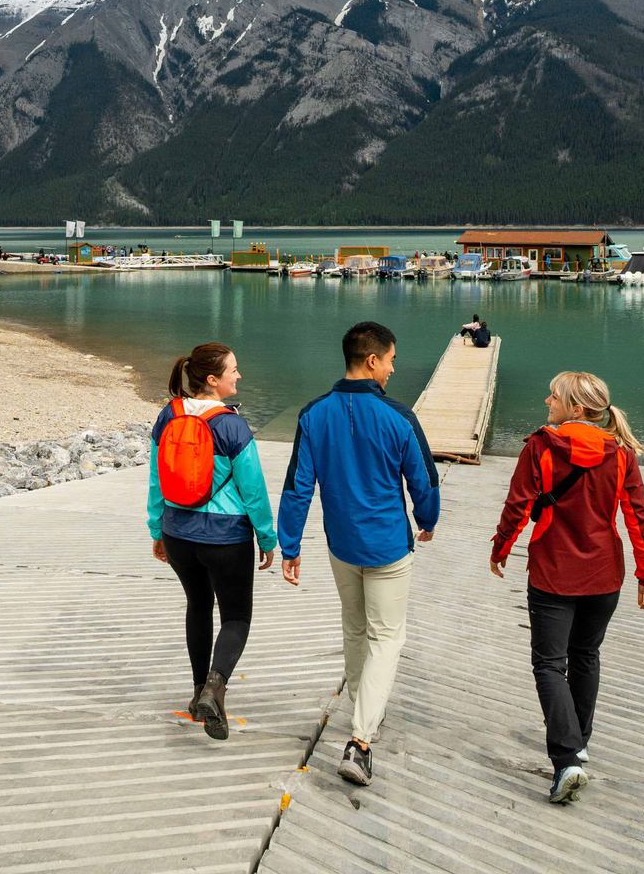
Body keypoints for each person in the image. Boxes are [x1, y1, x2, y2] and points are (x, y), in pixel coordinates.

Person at [277, 321, 440, 787]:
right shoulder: (399, 417)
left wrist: (291, 545)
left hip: (341, 546)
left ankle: (363, 708)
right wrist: (427, 520)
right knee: (387, 637)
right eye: (390, 360)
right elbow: (423, 481)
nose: (393, 368)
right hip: (388, 546)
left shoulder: (313, 414)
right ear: (372, 360)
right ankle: (361, 739)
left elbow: (297, 487)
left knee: (355, 627)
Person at [489, 372, 644, 805]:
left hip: (552, 572)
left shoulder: (541, 447)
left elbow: (518, 505)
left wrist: (501, 547)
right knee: (586, 656)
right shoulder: (620, 454)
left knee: (549, 665)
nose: (547, 400)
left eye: (555, 396)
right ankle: (577, 744)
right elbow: (637, 517)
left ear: (576, 409)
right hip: (605, 576)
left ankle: (566, 760)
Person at [147, 343, 278, 740]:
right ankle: (215, 688)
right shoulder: (232, 425)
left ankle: (196, 693)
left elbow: (157, 477)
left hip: (178, 532)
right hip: (225, 537)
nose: (239, 376)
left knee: (198, 606)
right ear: (212, 379)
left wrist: (157, 530)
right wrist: (268, 537)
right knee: (236, 616)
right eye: (233, 370)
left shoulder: (168, 415)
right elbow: (253, 489)